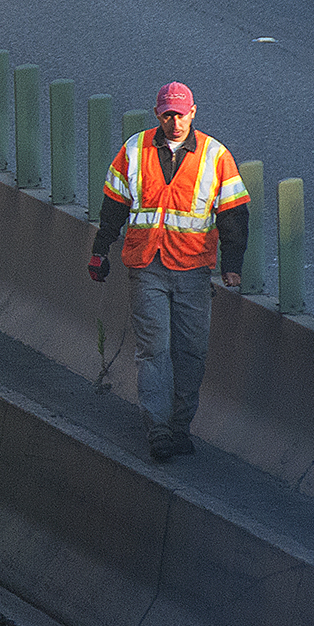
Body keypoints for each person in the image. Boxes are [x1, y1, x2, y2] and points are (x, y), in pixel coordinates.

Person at [88, 82, 249, 462]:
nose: (174, 121)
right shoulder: (134, 149)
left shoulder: (215, 156)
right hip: (147, 266)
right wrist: (100, 250)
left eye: (180, 114)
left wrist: (233, 266)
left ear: (194, 113)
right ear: (158, 114)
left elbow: (234, 214)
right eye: (167, 114)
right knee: (154, 350)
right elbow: (113, 205)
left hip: (194, 268)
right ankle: (158, 429)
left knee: (191, 352)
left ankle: (180, 427)